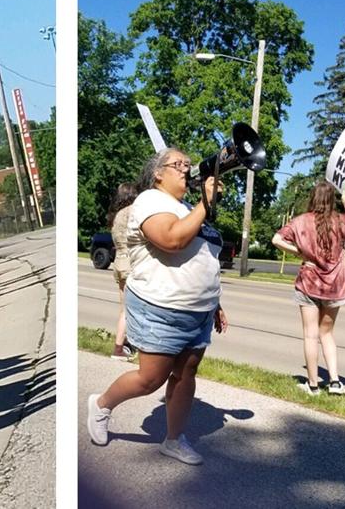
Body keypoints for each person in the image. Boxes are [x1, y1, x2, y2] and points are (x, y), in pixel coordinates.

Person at [86, 148, 228, 466]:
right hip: (159, 309)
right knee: (151, 379)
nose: (185, 169)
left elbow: (202, 257)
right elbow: (171, 240)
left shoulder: (185, 207)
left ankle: (174, 440)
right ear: (157, 174)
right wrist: (205, 202)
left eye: (187, 165)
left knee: (185, 373)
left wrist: (215, 301)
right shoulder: (150, 201)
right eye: (176, 164)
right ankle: (102, 404)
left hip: (198, 311)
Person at [272, 182, 345, 396]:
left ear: (313, 198)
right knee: (326, 333)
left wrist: (299, 252)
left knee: (310, 335)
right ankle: (335, 382)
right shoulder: (340, 221)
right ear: (331, 200)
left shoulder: (301, 221)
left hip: (309, 282)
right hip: (335, 286)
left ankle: (313, 385)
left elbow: (276, 239)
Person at [108, 182, 139, 360]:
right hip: (130, 261)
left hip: (118, 261)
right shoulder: (133, 211)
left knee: (123, 308)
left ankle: (126, 343)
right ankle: (119, 348)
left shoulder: (117, 215)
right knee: (129, 309)